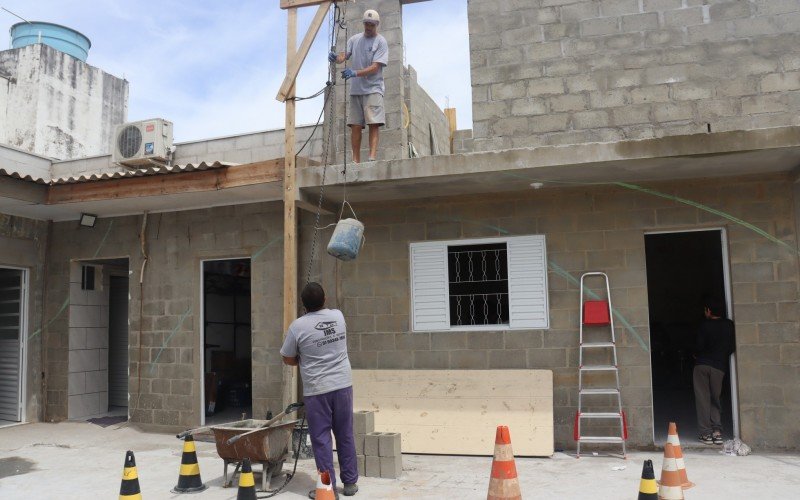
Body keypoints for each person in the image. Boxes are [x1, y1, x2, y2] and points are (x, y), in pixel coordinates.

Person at [281, 282, 358, 499]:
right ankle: (350, 483)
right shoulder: (338, 317)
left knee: (321, 439)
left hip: (317, 390)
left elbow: (287, 358)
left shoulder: (297, 326)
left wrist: (302, 359)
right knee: (345, 434)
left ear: (303, 305)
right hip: (343, 385)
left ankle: (327, 488)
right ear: (324, 300)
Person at [329, 9, 388, 163]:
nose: (368, 27)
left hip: (373, 88)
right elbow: (344, 56)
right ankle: (355, 160)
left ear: (377, 25)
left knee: (373, 123)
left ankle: (372, 157)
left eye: (372, 25)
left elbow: (376, 67)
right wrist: (336, 58)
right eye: (366, 24)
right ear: (363, 24)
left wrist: (355, 73)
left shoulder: (380, 42)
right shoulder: (354, 39)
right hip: (356, 90)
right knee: (355, 124)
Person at [693, 298, 736, 445]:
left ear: (709, 311)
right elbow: (731, 347)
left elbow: (698, 346)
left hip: (702, 365)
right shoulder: (729, 325)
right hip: (719, 367)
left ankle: (705, 434)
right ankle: (717, 432)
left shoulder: (704, 325)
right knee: (716, 398)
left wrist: (696, 354)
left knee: (702, 399)